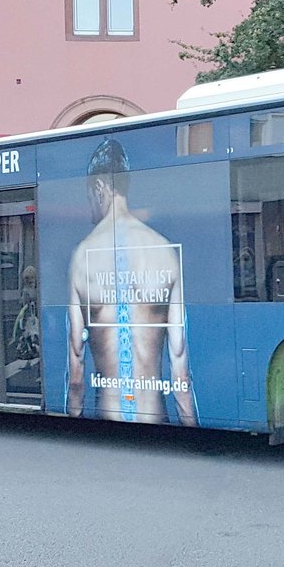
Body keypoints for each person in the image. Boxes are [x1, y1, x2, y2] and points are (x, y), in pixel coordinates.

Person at [67, 139, 195, 425]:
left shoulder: (81, 257)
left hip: (108, 416)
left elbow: (76, 374)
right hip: (156, 416)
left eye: (89, 195)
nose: (89, 205)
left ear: (99, 188)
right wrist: (194, 435)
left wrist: (70, 426)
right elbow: (180, 372)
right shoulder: (165, 252)